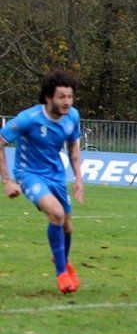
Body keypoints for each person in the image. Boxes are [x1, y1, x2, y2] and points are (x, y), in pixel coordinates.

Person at [0, 70, 84, 294]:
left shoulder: (72, 117)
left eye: (70, 97)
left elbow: (73, 148)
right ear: (49, 97)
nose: (67, 102)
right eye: (61, 97)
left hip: (56, 174)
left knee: (67, 225)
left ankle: (63, 263)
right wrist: (7, 181)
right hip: (29, 173)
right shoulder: (28, 119)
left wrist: (79, 180)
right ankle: (61, 275)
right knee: (56, 213)